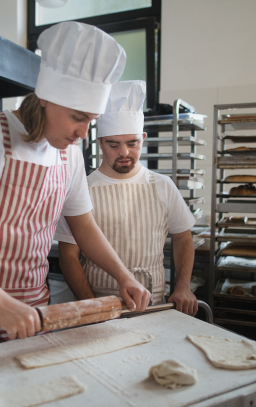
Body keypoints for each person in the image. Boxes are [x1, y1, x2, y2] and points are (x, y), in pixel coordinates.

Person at [0, 22, 152, 351]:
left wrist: (124, 276)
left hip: (35, 317)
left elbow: (84, 227)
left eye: (90, 121)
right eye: (78, 117)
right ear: (48, 99)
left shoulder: (70, 155)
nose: (83, 132)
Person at [54, 80, 198, 316]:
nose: (124, 153)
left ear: (143, 137)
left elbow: (183, 238)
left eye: (132, 143)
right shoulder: (83, 188)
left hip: (154, 305)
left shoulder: (162, 186)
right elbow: (69, 257)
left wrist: (183, 287)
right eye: (113, 145)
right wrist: (92, 306)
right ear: (100, 142)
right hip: (100, 305)